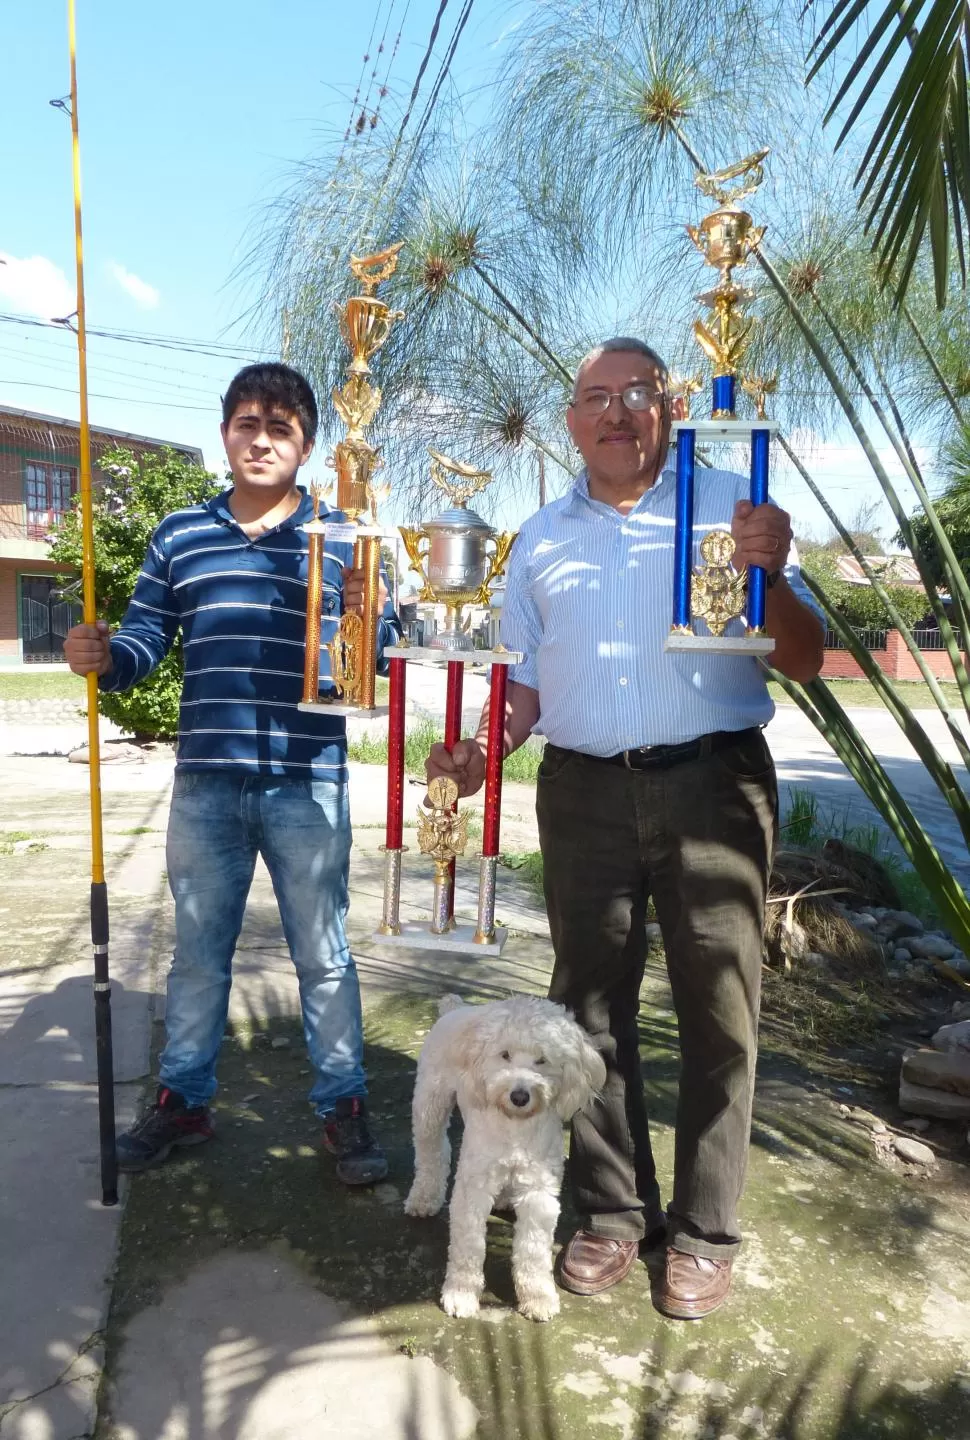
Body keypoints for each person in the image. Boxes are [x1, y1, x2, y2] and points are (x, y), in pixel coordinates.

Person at [426, 338, 824, 1318]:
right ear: (570, 420)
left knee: (718, 1018)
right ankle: (610, 1214)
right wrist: (475, 756)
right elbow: (521, 686)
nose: (613, 413)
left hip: (712, 788)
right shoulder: (539, 538)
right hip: (582, 793)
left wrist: (769, 570)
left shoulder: (733, 504)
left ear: (668, 405)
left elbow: (804, 660)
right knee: (586, 1017)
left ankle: (703, 1233)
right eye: (593, 398)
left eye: (634, 394)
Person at [65, 362, 399, 1186]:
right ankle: (184, 1100)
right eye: (247, 424)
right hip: (207, 782)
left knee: (323, 955)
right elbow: (146, 642)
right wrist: (104, 658)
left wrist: (372, 606)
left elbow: (378, 654)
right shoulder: (181, 534)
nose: (260, 440)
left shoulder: (343, 534)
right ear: (225, 434)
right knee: (197, 956)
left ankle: (344, 1105)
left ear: (309, 446)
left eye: (279, 428)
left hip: (307, 777)